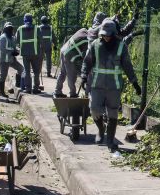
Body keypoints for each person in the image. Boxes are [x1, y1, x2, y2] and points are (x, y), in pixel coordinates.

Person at [80, 19, 141, 153]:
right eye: (104, 34)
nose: (106, 37)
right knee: (94, 109)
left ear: (114, 34)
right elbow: (87, 62)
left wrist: (134, 82)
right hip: (97, 85)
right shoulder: (95, 45)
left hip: (114, 87)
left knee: (113, 113)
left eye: (109, 35)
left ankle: (110, 141)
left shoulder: (121, 46)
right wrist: (84, 76)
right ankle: (101, 130)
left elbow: (127, 66)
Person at [53, 26, 90, 98]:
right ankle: (72, 93)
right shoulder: (87, 39)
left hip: (63, 50)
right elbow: (85, 56)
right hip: (69, 54)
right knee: (71, 75)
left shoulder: (82, 31)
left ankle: (57, 91)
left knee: (62, 73)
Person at [16, 13, 42, 94]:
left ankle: (28, 89)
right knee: (36, 71)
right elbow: (41, 39)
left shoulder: (20, 29)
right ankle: (36, 88)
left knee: (27, 71)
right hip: (35, 53)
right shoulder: (37, 28)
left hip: (25, 54)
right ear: (32, 20)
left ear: (24, 20)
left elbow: (16, 41)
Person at [0, 22, 24, 96]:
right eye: (8, 29)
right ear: (5, 29)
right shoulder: (2, 37)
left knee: (21, 69)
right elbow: (2, 49)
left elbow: (15, 48)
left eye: (11, 29)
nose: (10, 30)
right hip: (4, 60)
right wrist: (12, 52)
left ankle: (17, 85)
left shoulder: (13, 38)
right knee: (3, 76)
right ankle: (1, 92)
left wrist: (17, 51)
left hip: (12, 59)